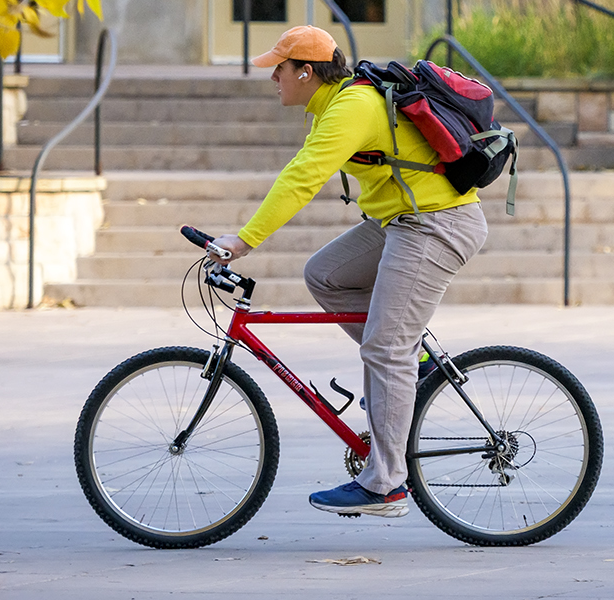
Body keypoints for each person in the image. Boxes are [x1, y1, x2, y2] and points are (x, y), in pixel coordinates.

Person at [207, 25, 489, 518]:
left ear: (307, 72)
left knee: (384, 347)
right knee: (326, 275)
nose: (273, 76)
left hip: (436, 224)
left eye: (281, 67)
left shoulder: (352, 107)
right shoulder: (329, 108)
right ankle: (414, 367)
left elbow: (302, 178)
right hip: (402, 221)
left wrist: (244, 239)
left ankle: (386, 485)